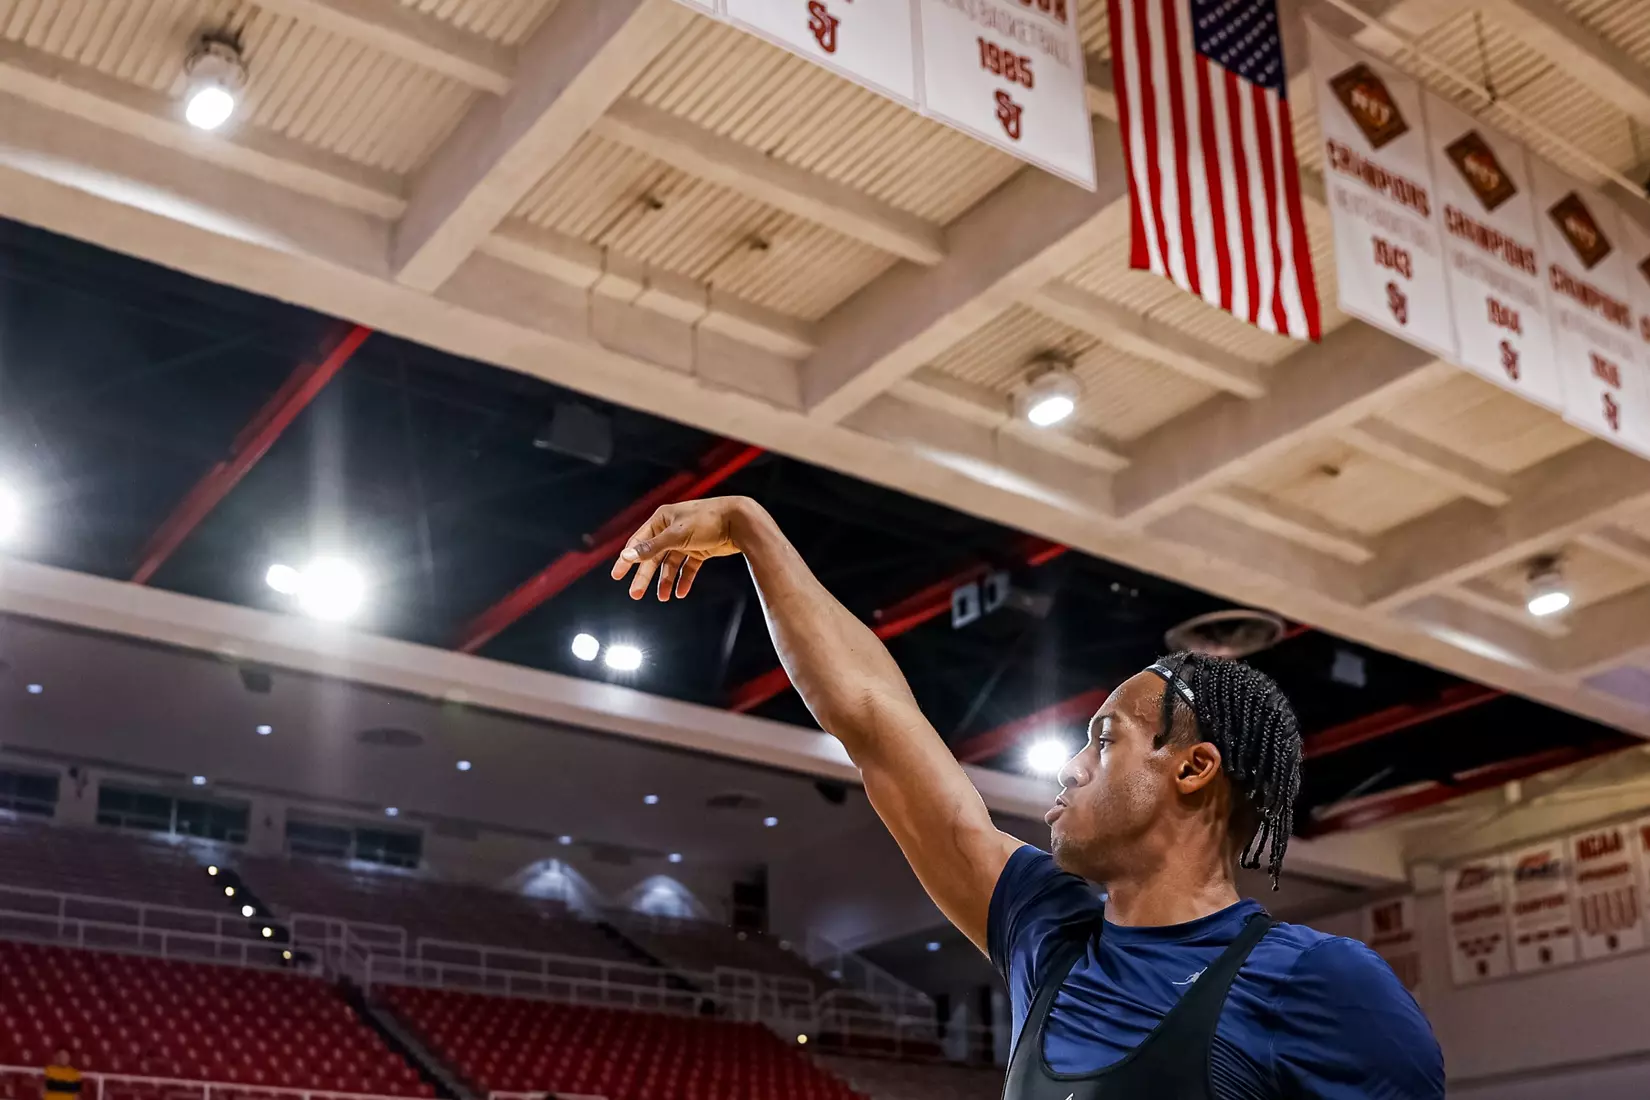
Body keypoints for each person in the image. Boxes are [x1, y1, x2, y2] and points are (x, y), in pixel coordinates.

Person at [612, 496, 1444, 1099]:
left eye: (1105, 738)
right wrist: (757, 530)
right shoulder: (1045, 929)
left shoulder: (1324, 987)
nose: (1071, 767)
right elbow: (873, 722)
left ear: (1191, 770)